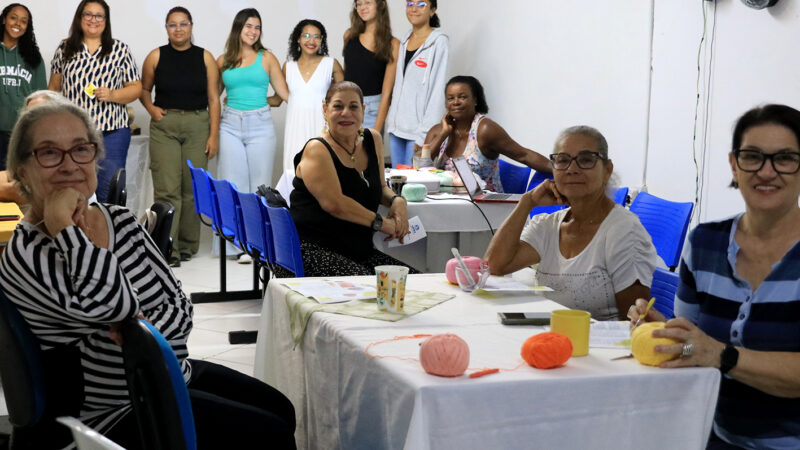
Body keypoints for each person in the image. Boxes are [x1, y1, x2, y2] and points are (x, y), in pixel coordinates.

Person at [0, 99, 296, 449]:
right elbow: (117, 306)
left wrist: (141, 329)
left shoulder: (121, 220)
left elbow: (180, 307)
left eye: (81, 149)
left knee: (281, 409)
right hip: (111, 411)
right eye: (49, 153)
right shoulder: (25, 254)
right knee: (269, 433)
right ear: (21, 169)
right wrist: (66, 230)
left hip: (170, 374)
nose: (69, 165)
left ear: (95, 158)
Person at [630, 104, 800, 450]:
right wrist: (666, 336)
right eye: (752, 156)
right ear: (734, 165)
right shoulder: (705, 242)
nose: (767, 172)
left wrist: (722, 355)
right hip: (711, 435)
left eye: (784, 158)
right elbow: (696, 350)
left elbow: (715, 354)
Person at [484, 126, 663, 320]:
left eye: (586, 160)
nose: (572, 169)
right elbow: (494, 266)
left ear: (607, 170)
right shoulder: (548, 225)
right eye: (563, 160)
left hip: (597, 347)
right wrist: (526, 203)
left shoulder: (624, 231)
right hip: (551, 338)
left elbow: (635, 323)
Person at [285, 81, 413, 277]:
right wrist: (382, 223)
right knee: (371, 289)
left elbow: (379, 187)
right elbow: (336, 204)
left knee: (415, 282)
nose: (346, 113)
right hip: (312, 251)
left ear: (362, 110)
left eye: (353, 107)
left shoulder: (373, 139)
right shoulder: (317, 149)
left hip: (358, 251)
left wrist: (397, 201)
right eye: (338, 106)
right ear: (325, 110)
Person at [140, 6, 220, 268]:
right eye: (172, 25)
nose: (178, 29)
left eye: (183, 24)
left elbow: (213, 99)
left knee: (192, 190)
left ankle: (187, 246)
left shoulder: (205, 57)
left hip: (198, 124)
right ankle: (167, 247)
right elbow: (144, 90)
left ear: (191, 26)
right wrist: (151, 109)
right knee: (167, 189)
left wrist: (213, 135)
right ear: (166, 28)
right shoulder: (155, 56)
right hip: (166, 126)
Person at [48, 0, 141, 203]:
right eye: (88, 14)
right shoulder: (65, 49)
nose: (93, 20)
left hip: (113, 132)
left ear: (106, 21)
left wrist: (113, 95)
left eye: (99, 15)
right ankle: (77, 233)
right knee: (75, 188)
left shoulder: (120, 49)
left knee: (109, 189)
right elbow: (53, 90)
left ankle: (109, 232)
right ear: (79, 18)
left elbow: (136, 88)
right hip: (73, 134)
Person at [217, 8, 289, 262]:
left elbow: (284, 95)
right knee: (232, 185)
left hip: (260, 125)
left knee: (258, 185)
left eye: (257, 27)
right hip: (229, 125)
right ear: (238, 28)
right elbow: (213, 98)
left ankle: (256, 244)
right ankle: (234, 242)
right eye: (248, 26)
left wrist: (262, 102)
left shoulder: (266, 57)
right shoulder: (223, 60)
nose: (253, 31)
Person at [424, 76, 551, 192]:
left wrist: (562, 170)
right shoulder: (437, 130)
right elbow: (419, 166)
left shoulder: (485, 130)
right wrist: (443, 134)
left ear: (475, 100)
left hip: (484, 208)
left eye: (462, 97)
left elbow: (523, 155)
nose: (456, 102)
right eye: (450, 98)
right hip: (445, 204)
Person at [270, 19, 343, 179]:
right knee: (294, 175)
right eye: (307, 36)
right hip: (295, 130)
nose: (311, 41)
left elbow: (344, 99)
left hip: (322, 129)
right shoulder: (288, 66)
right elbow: (277, 100)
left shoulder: (331, 64)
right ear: (298, 38)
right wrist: (243, 100)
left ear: (322, 40)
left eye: (317, 37)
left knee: (323, 176)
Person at [385, 0, 448, 167]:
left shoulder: (439, 42)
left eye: (421, 4)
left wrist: (425, 135)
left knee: (413, 185)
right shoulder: (404, 40)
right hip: (396, 129)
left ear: (432, 10)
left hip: (418, 132)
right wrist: (392, 121)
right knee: (396, 183)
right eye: (410, 3)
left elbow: (437, 91)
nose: (414, 8)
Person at [0, 2, 46, 170]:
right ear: (4, 20)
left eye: (23, 21)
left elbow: (40, 98)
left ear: (27, 27)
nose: (18, 24)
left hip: (20, 133)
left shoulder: (33, 57)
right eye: (13, 18)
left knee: (17, 185)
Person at [343, 0, 399, 132]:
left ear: (381, 4)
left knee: (368, 151)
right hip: (345, 105)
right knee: (342, 152)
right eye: (359, 4)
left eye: (367, 2)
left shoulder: (393, 44)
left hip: (371, 110)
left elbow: (387, 94)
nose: (362, 7)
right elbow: (347, 73)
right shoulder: (349, 35)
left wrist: (376, 133)